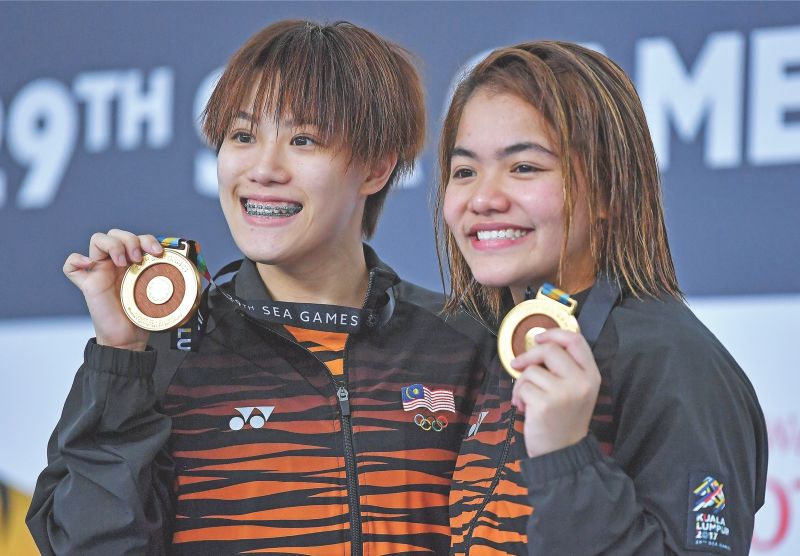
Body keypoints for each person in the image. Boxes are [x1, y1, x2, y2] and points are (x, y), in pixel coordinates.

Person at [27, 20, 490, 555]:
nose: (264, 169)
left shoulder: (461, 345)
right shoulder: (159, 355)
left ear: (377, 167)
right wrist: (122, 356)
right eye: (243, 136)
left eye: (303, 140)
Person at [437, 41, 767, 555]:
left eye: (524, 167)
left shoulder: (677, 365)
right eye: (464, 171)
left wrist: (569, 454)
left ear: (610, 190)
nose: (482, 198)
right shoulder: (467, 345)